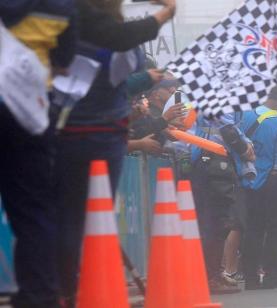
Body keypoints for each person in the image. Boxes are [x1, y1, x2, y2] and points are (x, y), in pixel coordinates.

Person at [52, 0, 176, 306]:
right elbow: (124, 76)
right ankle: (96, 287)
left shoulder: (60, 31)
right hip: (105, 137)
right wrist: (148, 77)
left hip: (65, 133)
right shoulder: (120, 39)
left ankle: (66, 289)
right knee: (98, 216)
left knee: (67, 216)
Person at [0, 2, 76, 306]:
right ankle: (39, 295)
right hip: (27, 113)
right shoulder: (61, 7)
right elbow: (63, 63)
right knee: (34, 211)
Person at [239, 85, 277, 290]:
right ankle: (272, 275)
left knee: (253, 229)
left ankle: (251, 278)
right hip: (276, 180)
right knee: (276, 229)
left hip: (250, 180)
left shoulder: (245, 118)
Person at [190, 111, 254, 294]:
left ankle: (214, 273)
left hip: (215, 161)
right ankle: (210, 276)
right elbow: (228, 130)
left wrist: (245, 144)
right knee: (216, 222)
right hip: (213, 164)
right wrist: (244, 150)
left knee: (219, 223)